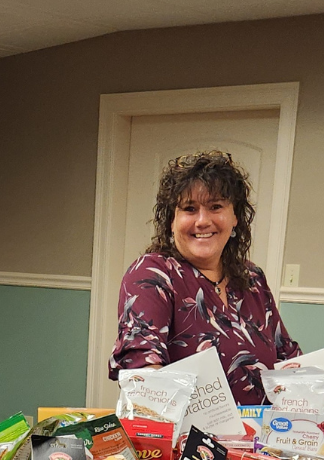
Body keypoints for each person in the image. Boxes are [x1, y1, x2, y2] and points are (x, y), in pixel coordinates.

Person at [108, 150, 300, 405]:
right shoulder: (153, 275)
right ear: (171, 222)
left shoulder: (252, 279)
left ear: (235, 218)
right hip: (186, 442)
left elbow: (288, 359)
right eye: (189, 209)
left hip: (261, 439)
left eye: (215, 207)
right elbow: (143, 373)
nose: (202, 221)